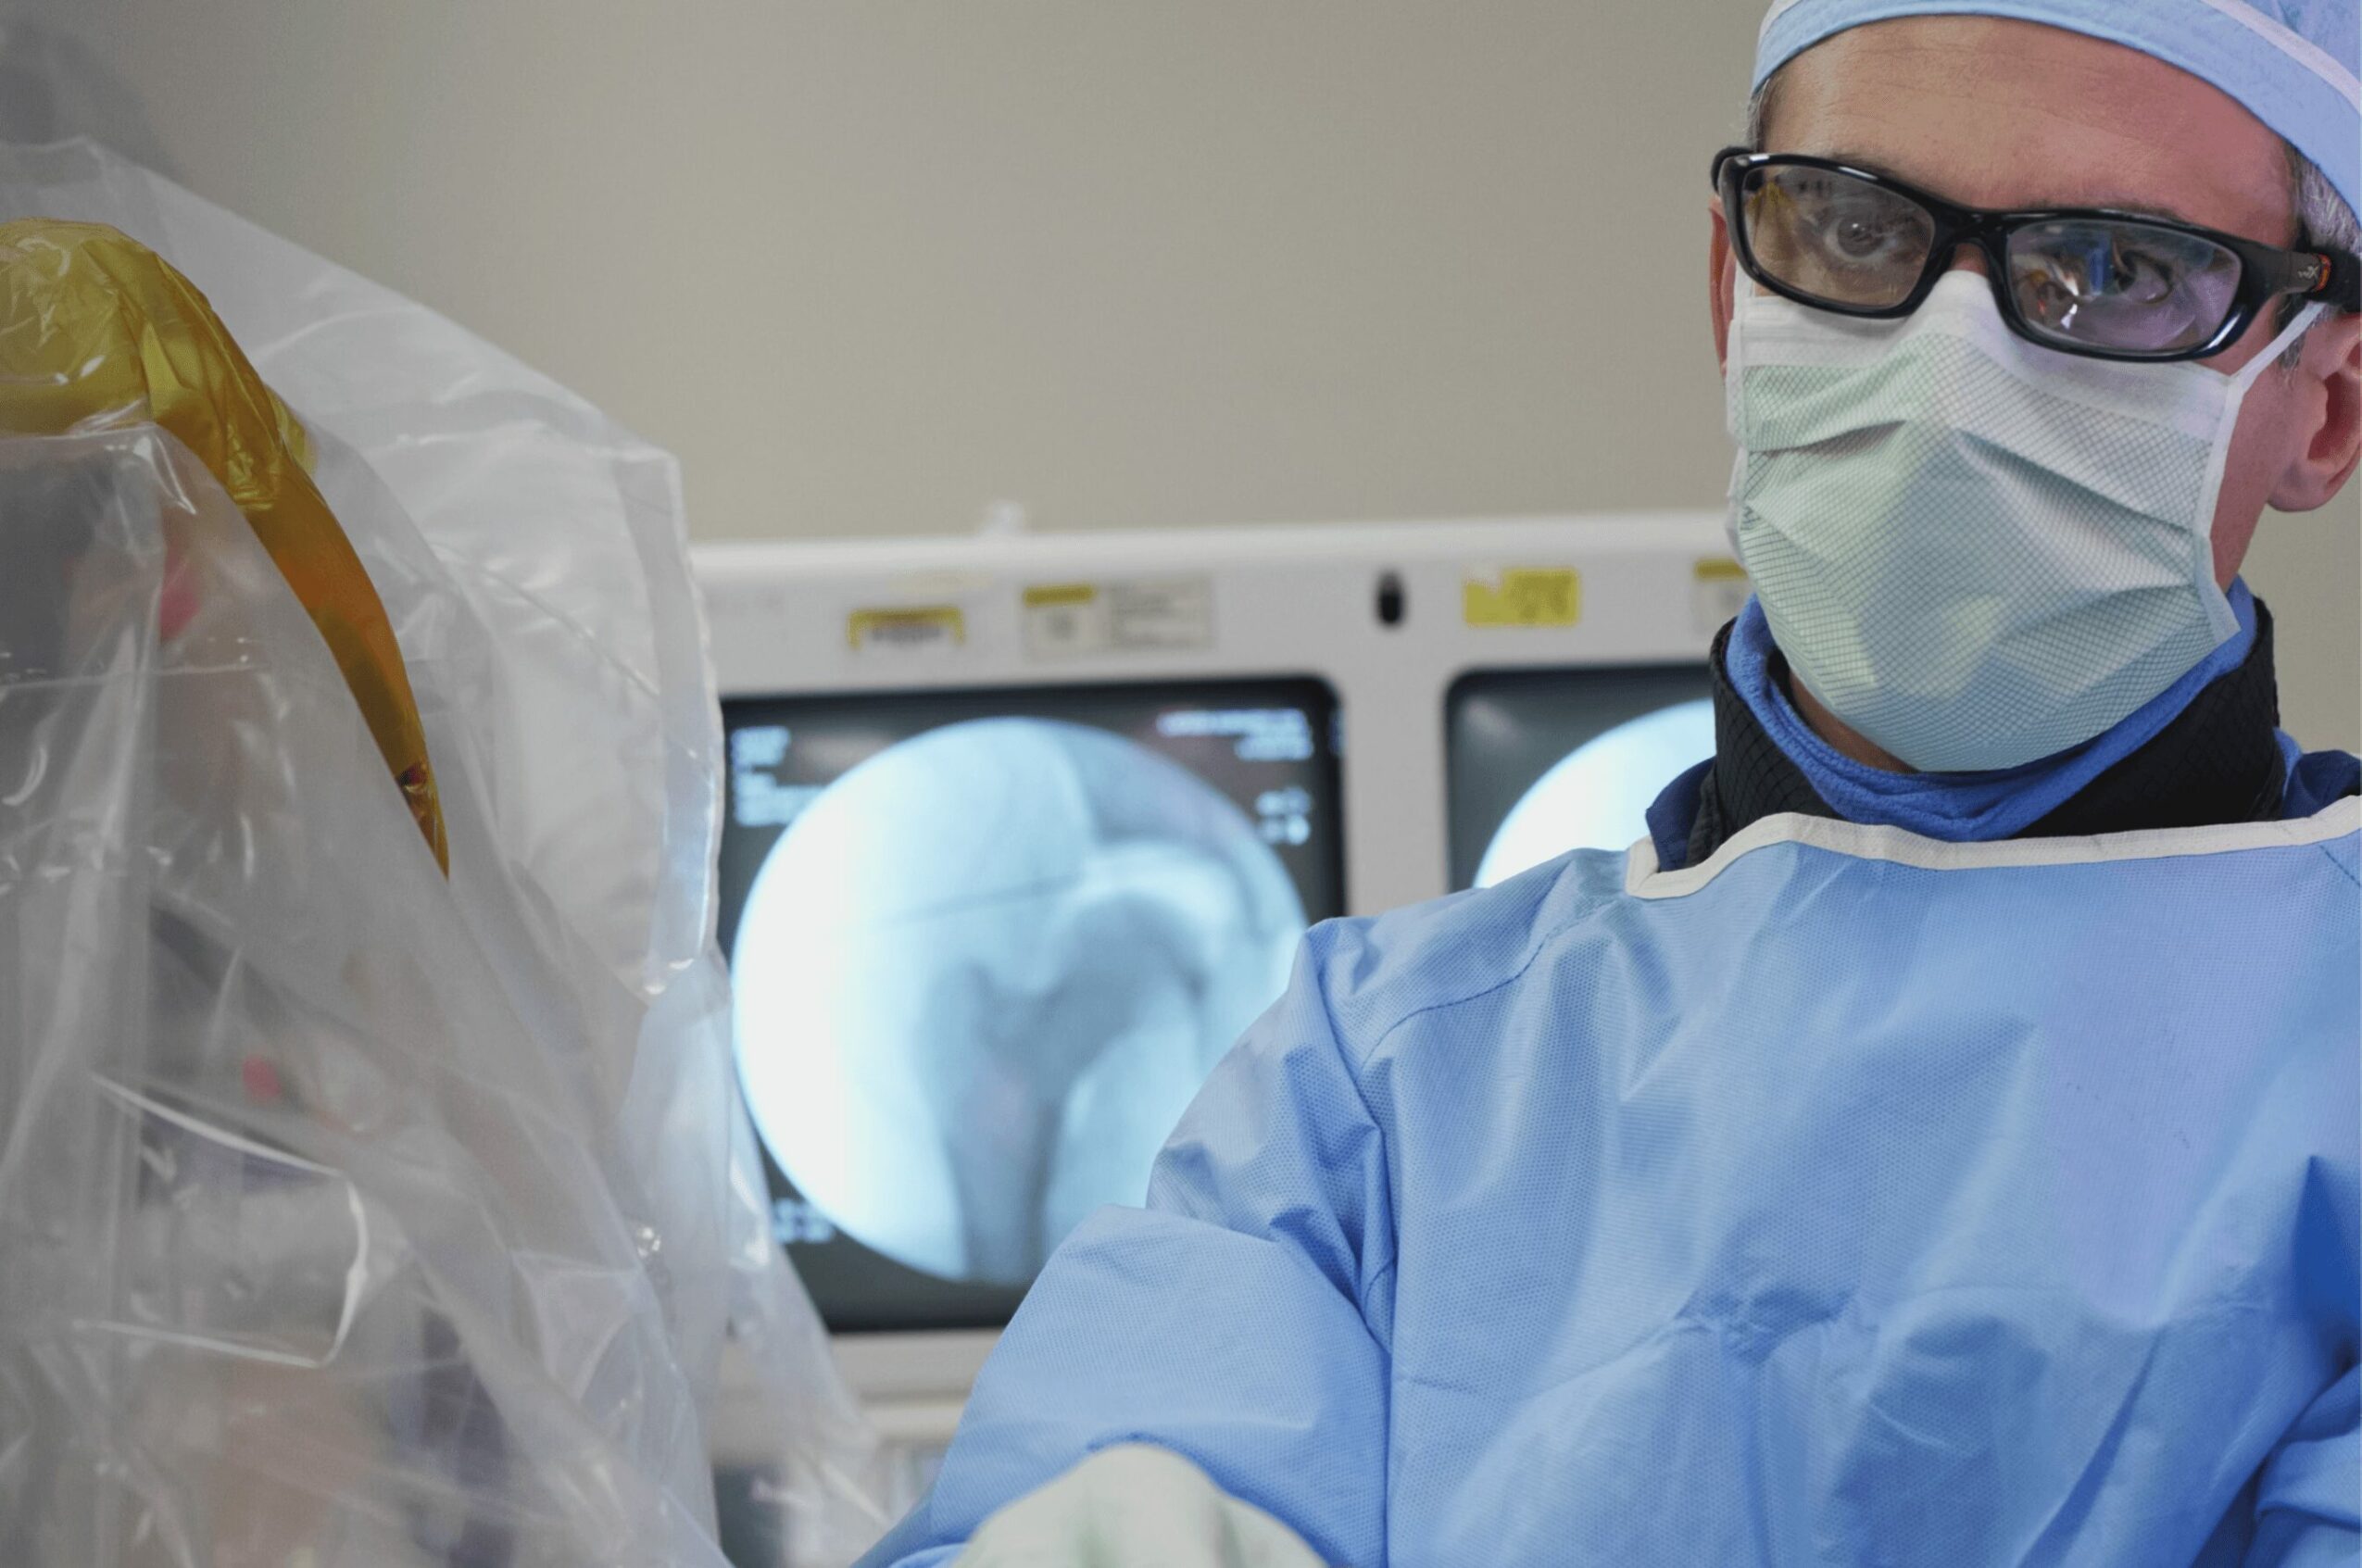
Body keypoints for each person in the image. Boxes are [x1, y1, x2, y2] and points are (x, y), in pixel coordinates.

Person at [859, 3, 2362, 1563]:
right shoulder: (1386, 1074)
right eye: (1854, 229)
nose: (1947, 370)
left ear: (2322, 406)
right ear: (1732, 290)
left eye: (2111, 267)